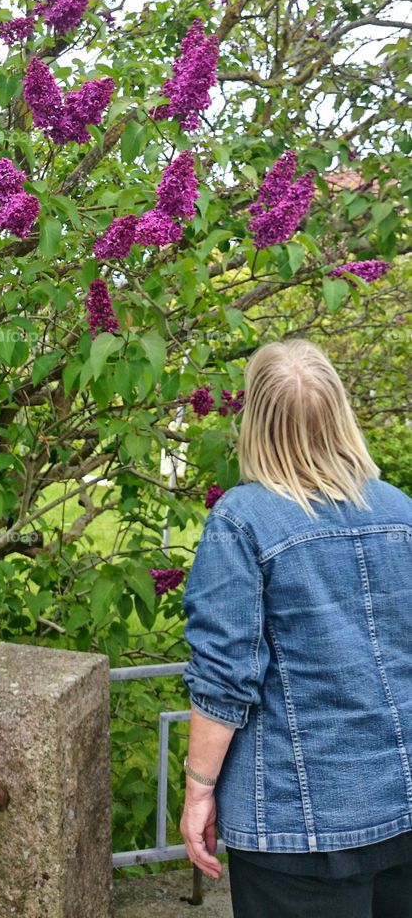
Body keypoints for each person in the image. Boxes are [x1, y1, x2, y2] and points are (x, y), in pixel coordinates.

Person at [178, 338, 412, 918]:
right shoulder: (402, 512)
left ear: (256, 418)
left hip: (299, 824)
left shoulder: (241, 521)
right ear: (340, 413)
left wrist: (197, 790)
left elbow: (224, 678)